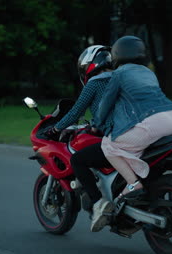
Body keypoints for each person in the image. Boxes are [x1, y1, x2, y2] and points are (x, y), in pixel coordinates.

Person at [95, 36, 172, 200]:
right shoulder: (149, 73)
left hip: (155, 123)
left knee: (108, 145)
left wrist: (97, 122)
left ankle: (132, 183)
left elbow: (105, 104)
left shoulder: (119, 73)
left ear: (116, 54)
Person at [44, 45, 114, 232]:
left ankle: (99, 203)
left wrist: (56, 128)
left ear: (89, 65)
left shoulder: (95, 82)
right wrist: (93, 124)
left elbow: (75, 112)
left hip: (117, 137)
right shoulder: (120, 78)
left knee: (78, 160)